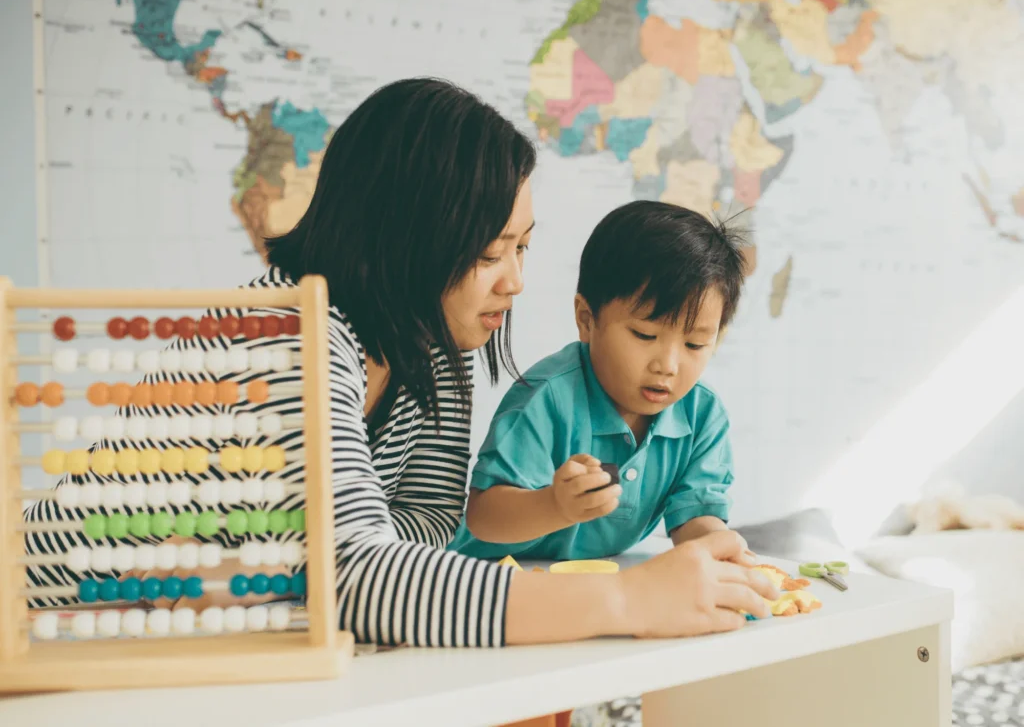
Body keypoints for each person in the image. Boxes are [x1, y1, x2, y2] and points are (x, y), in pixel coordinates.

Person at [23, 78, 777, 647]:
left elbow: (422, 533)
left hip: (195, 646)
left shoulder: (433, 363)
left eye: (522, 248)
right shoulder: (281, 336)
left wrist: (339, 569)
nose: (514, 282)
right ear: (409, 240)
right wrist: (628, 600)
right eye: (489, 254)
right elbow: (363, 574)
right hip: (52, 630)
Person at [450, 201, 747, 563]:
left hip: (587, 586)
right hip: (483, 579)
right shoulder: (546, 398)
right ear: (587, 319)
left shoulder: (702, 414)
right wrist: (555, 505)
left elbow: (696, 516)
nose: (668, 366)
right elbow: (484, 517)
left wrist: (721, 551)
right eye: (644, 335)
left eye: (695, 344)